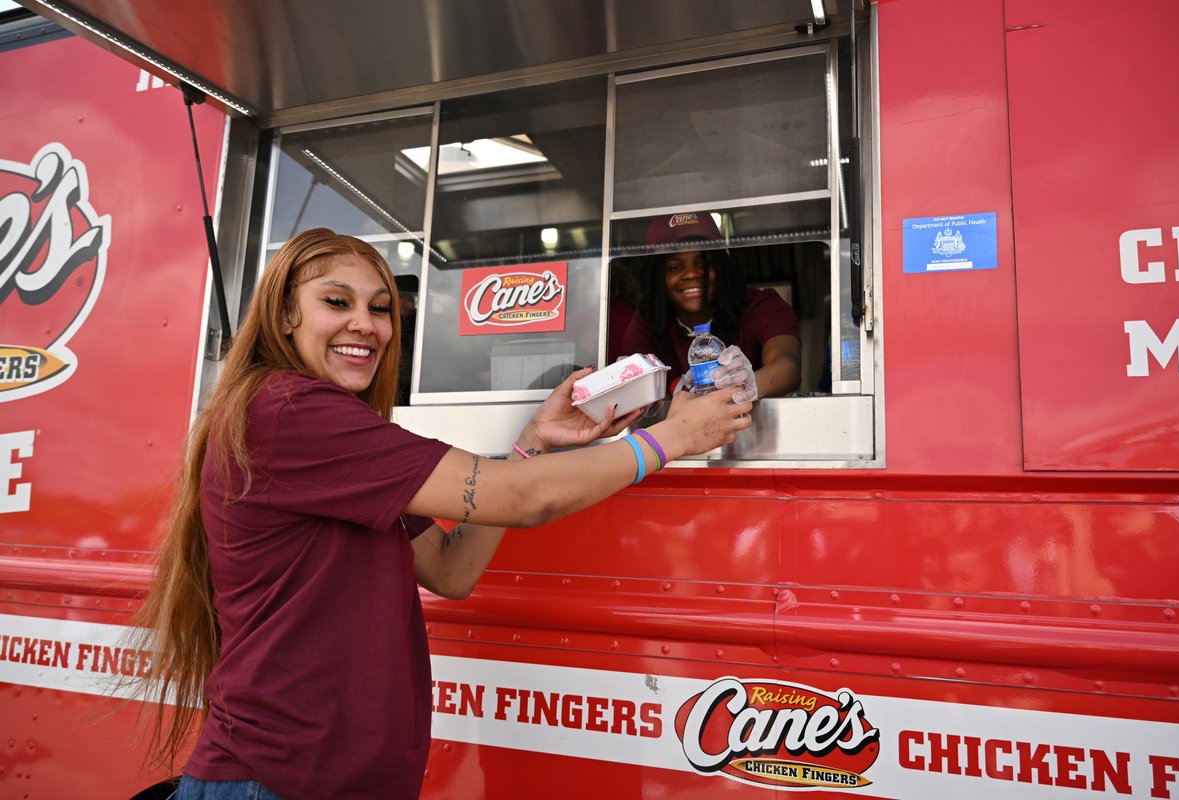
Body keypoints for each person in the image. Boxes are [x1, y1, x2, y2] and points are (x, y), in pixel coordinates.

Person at [131, 228, 751, 800]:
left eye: (379, 307)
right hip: (281, 782)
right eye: (336, 302)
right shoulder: (289, 411)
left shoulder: (331, 430)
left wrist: (533, 441)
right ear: (286, 314)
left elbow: (451, 571)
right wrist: (669, 438)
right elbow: (522, 498)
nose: (366, 325)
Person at [620, 212, 802, 400]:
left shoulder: (760, 305)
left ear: (722, 266)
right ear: (657, 277)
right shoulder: (648, 322)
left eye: (704, 264)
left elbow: (788, 365)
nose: (692, 274)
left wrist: (751, 383)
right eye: (676, 267)